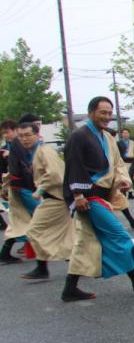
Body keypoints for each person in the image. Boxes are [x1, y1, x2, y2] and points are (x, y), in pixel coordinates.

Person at [61, 96, 134, 302]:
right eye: (102, 113)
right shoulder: (79, 136)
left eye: (109, 113)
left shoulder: (106, 138)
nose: (107, 117)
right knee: (120, 237)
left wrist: (121, 181)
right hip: (88, 197)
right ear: (91, 112)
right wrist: (78, 194)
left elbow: (116, 164)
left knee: (86, 243)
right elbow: (74, 165)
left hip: (101, 195)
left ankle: (70, 288)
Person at [20, 115, 73, 281]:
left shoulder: (44, 151)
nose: (24, 139)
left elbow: (56, 175)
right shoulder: (37, 151)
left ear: (37, 134)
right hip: (56, 199)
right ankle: (73, 264)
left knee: (34, 230)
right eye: (21, 136)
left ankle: (43, 267)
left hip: (55, 199)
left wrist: (40, 190)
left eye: (28, 135)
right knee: (67, 234)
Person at [1, 115, 41, 266]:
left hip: (20, 186)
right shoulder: (18, 143)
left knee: (23, 220)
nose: (5, 135)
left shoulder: (15, 144)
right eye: (4, 133)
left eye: (7, 132)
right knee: (40, 216)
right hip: (22, 186)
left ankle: (9, 251)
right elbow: (23, 167)